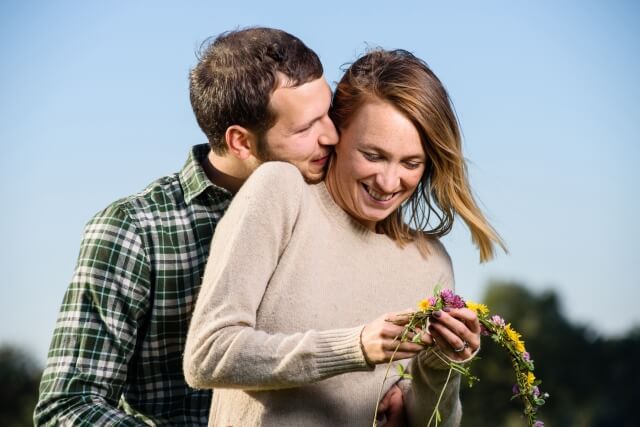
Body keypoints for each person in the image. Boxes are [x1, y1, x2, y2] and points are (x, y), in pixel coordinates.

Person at [34, 27, 344, 426]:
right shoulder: (135, 230)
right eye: (305, 129)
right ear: (240, 142)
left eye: (328, 113)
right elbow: (69, 406)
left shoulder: (337, 203)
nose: (332, 136)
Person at [183, 49, 506, 426]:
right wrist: (355, 347)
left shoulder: (430, 262)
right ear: (337, 134)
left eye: (410, 163)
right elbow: (208, 355)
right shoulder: (282, 193)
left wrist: (441, 365)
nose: (388, 182)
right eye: (372, 155)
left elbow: (431, 422)